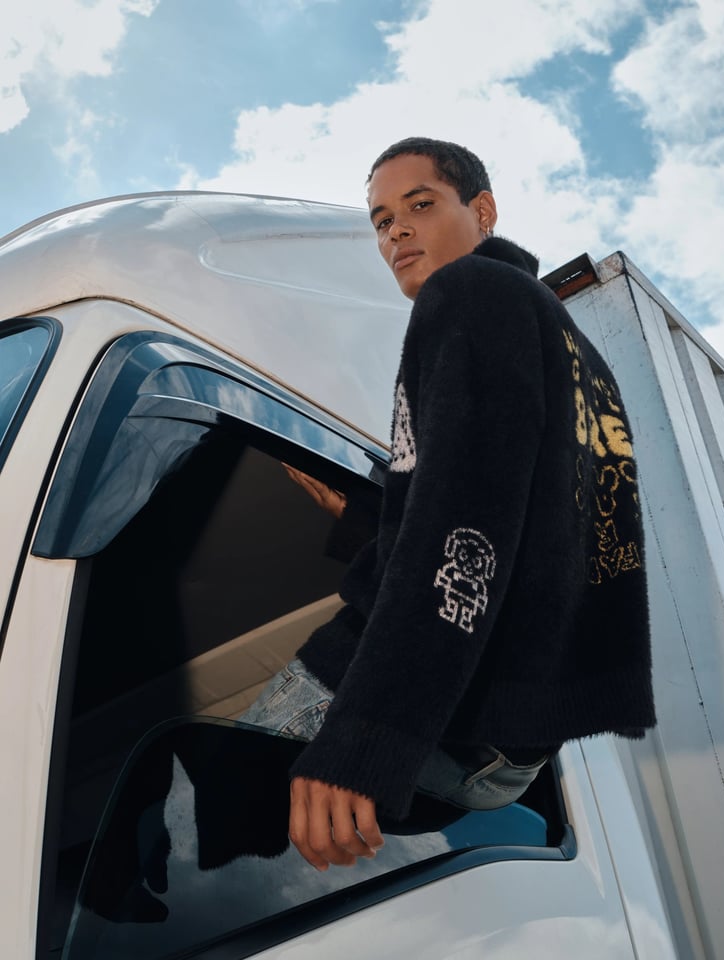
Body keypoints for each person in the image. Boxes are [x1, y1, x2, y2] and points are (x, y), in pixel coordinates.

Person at [240, 136, 656, 872]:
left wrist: (368, 736)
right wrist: (362, 519)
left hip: (430, 709)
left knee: (183, 805)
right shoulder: (572, 348)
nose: (395, 230)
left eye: (420, 204)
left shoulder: (469, 292)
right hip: (504, 751)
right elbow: (518, 524)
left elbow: (462, 527)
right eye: (380, 221)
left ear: (483, 210)